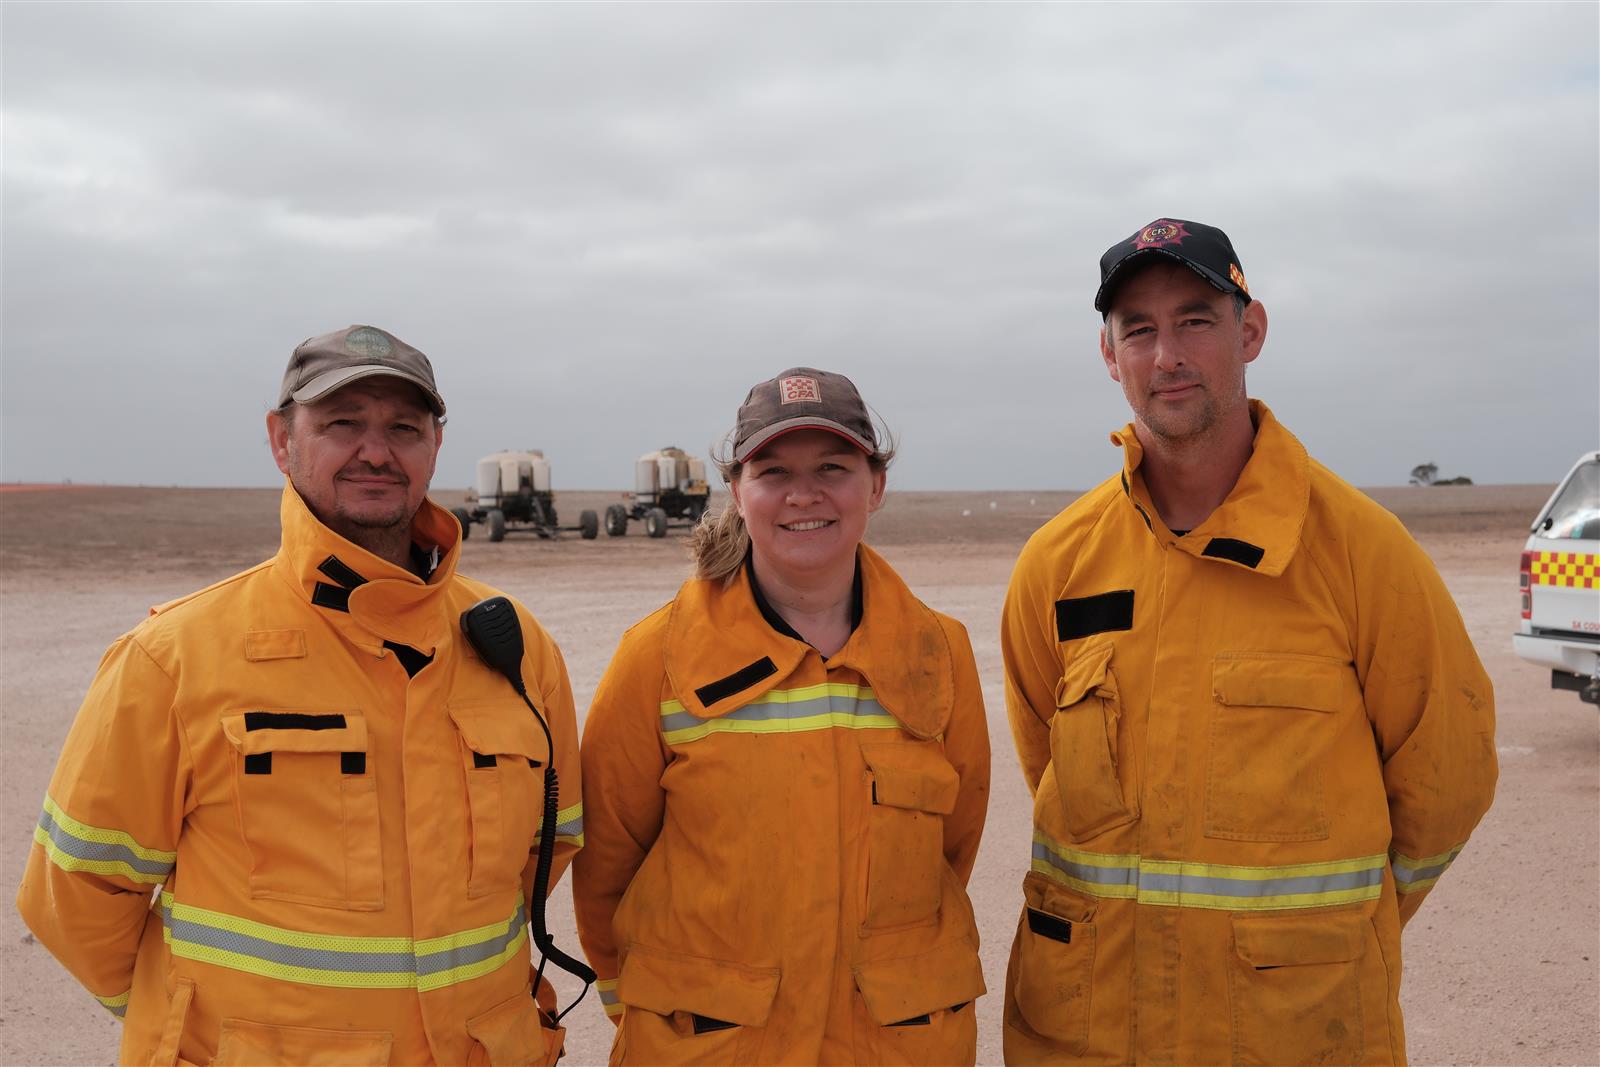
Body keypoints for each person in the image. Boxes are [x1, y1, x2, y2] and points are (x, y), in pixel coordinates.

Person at [1000, 220, 1498, 1065]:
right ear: (1108, 354)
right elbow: (1043, 761)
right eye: (1139, 330)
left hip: (1295, 1032)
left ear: (1251, 330)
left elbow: (1446, 778)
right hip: (1092, 1035)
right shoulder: (1058, 563)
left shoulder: (1359, 551)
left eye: (1196, 319)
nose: (1168, 356)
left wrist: (1340, 922)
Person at [17, 325, 583, 1067]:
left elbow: (551, 846)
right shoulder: (174, 657)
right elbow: (76, 898)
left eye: (403, 427)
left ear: (435, 447)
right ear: (282, 441)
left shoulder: (516, 647)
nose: (376, 450)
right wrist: (201, 1022)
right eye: (342, 422)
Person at [575, 368, 990, 1065]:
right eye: (774, 471)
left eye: (833, 467)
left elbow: (951, 851)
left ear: (876, 485)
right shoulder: (658, 657)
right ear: (738, 490)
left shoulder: (939, 654)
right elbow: (606, 873)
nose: (805, 494)